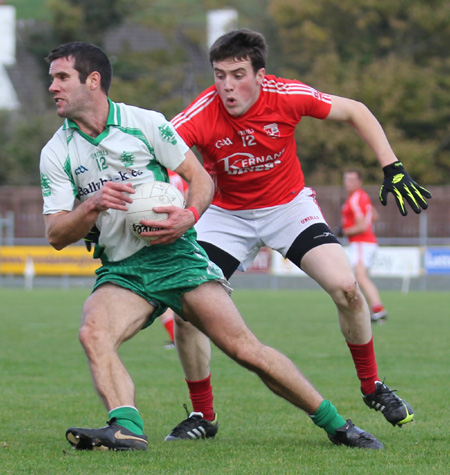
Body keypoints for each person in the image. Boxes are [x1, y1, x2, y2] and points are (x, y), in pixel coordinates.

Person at [40, 41, 384, 452]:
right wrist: (92, 205)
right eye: (52, 79)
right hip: (123, 271)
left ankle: (337, 424)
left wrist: (188, 215)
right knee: (93, 332)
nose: (52, 88)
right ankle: (126, 426)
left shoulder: (145, 123)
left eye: (61, 78)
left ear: (92, 81)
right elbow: (56, 234)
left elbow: (199, 179)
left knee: (245, 350)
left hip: (177, 258)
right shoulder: (56, 152)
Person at [166, 29, 431, 441]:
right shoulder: (200, 113)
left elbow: (357, 111)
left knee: (346, 288)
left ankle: (373, 386)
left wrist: (392, 166)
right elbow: (158, 151)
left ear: (260, 73)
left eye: (238, 74)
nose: (227, 86)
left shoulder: (287, 95)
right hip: (226, 216)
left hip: (288, 207)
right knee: (187, 312)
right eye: (219, 75)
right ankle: (203, 415)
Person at [340, 169, 387, 323]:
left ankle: (377, 309)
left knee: (360, 277)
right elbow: (374, 215)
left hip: (361, 242)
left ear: (360, 181)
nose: (348, 183)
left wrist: (343, 231)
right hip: (366, 242)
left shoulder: (355, 199)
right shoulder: (363, 197)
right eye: (346, 179)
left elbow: (361, 226)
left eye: (351, 180)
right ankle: (372, 310)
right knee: (361, 277)